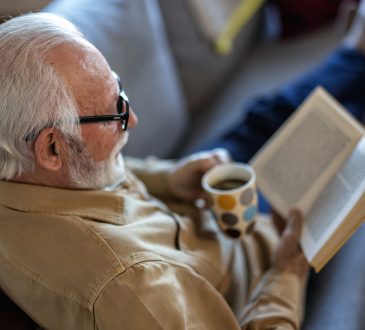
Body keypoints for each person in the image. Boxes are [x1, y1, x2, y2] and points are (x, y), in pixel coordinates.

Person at [0, 13, 308, 330]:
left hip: (196, 216)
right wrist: (287, 275)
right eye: (114, 112)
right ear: (52, 149)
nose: (131, 118)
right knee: (305, 141)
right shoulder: (136, 290)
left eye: (119, 92)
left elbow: (94, 172)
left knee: (262, 120)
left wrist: (170, 178)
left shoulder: (21, 169)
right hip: (260, 265)